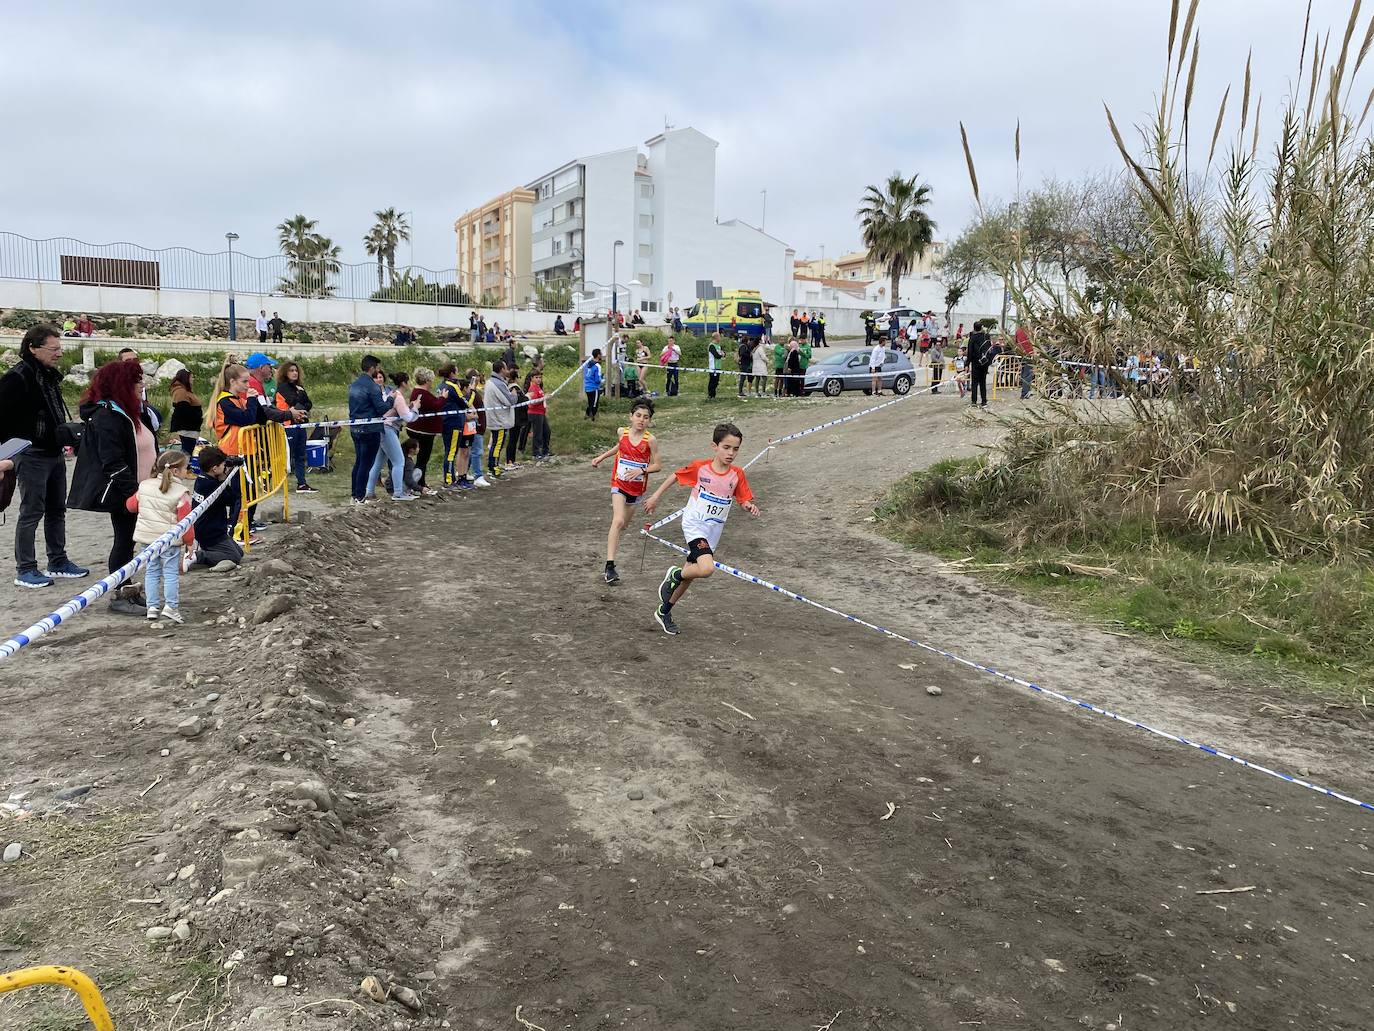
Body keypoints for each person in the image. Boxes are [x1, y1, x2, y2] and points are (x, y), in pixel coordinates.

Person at [642, 422, 760, 636]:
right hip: (694, 524)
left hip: (713, 531)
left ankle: (664, 610)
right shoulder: (701, 468)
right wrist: (655, 496)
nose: (731, 453)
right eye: (726, 447)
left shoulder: (737, 474)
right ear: (714, 446)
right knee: (706, 568)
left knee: (692, 574)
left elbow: (742, 498)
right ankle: (675, 573)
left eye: (735, 449)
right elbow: (675, 476)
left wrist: (748, 505)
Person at [0, 323, 88, 589]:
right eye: (54, 348)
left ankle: (58, 561)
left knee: (56, 510)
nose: (59, 353)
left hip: (53, 452)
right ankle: (25, 568)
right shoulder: (18, 377)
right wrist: (13, 447)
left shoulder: (47, 374)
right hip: (31, 453)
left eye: (60, 348)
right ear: (33, 348)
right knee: (31, 511)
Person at [67, 360, 155, 614]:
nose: (142, 384)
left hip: (142, 488)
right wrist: (133, 493)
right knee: (124, 540)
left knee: (131, 541)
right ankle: (121, 594)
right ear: (121, 385)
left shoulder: (130, 412)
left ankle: (130, 589)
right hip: (126, 492)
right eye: (136, 380)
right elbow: (112, 461)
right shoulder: (107, 416)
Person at [589, 398, 659, 585]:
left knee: (624, 525)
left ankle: (614, 542)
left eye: (646, 417)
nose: (641, 420)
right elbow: (620, 446)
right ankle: (610, 566)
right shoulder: (623, 432)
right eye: (638, 415)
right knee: (618, 520)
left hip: (636, 489)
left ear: (649, 421)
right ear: (631, 417)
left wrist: (641, 470)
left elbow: (658, 465)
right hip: (618, 483)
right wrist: (601, 457)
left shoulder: (650, 440)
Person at [127, 450, 195, 623]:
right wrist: (189, 543)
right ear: (176, 471)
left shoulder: (144, 485)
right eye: (186, 468)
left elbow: (131, 506)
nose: (188, 471)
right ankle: (171, 607)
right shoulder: (181, 492)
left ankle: (152, 607)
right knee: (170, 573)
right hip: (169, 541)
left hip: (147, 539)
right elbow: (186, 522)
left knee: (151, 572)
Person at [190, 446, 244, 571]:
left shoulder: (201, 478)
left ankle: (208, 552)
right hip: (211, 532)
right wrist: (224, 480)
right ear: (214, 469)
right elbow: (232, 500)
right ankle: (197, 556)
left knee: (239, 552)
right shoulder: (212, 486)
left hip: (206, 527)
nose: (225, 467)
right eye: (223, 465)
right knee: (234, 556)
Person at [347, 355, 391, 504]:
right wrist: (391, 399)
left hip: (355, 428)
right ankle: (360, 496)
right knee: (366, 464)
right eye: (377, 367)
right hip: (370, 429)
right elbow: (381, 409)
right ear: (372, 368)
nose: (379, 371)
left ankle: (354, 495)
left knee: (359, 462)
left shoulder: (354, 385)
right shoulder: (373, 387)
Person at [368, 372, 419, 500]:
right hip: (388, 429)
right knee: (399, 461)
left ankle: (369, 491)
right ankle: (398, 493)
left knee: (378, 463)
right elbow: (407, 417)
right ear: (404, 383)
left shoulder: (392, 393)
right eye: (408, 381)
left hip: (382, 428)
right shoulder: (399, 397)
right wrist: (416, 409)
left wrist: (409, 407)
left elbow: (399, 411)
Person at [274, 361, 317, 493]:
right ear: (285, 373)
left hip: (300, 424)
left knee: (300, 455)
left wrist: (300, 405)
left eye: (296, 370)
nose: (295, 373)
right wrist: (301, 399)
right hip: (288, 425)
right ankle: (272, 479)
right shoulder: (283, 387)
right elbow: (294, 402)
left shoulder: (299, 387)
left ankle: (302, 483)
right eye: (291, 370)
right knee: (286, 455)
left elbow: (308, 404)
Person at [434, 362, 473, 489]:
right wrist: (471, 392)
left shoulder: (441, 385)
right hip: (454, 422)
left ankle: (449, 478)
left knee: (449, 451)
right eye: (456, 371)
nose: (458, 374)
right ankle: (449, 480)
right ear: (452, 373)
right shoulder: (453, 386)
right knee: (451, 452)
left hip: (445, 421)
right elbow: (465, 403)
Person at [408, 367, 444, 495]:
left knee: (421, 459)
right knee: (423, 459)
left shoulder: (416, 391)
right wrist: (442, 398)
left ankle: (419, 482)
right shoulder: (424, 394)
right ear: (427, 380)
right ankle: (418, 484)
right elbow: (435, 405)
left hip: (415, 428)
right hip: (424, 431)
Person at [483, 360, 516, 479]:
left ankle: (492, 466)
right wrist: (514, 394)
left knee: (495, 444)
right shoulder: (499, 384)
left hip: (493, 417)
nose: (507, 370)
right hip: (499, 419)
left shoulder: (490, 382)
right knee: (498, 444)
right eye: (506, 368)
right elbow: (510, 401)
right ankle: (494, 469)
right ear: (502, 369)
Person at [464, 370, 492, 487]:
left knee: (471, 451)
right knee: (477, 451)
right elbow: (469, 406)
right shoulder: (472, 394)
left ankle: (465, 472)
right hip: (476, 426)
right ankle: (478, 475)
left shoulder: (473, 393)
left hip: (477, 425)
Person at [169, 369, 204, 455]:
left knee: (188, 451)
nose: (193, 379)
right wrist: (197, 418)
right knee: (186, 453)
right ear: (186, 378)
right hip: (187, 430)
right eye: (191, 377)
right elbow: (184, 410)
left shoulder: (184, 391)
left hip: (190, 429)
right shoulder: (181, 392)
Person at [967, 320, 996, 408]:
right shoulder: (986, 336)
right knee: (983, 382)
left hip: (975, 362)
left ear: (974, 328)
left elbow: (970, 351)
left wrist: (967, 363)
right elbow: (989, 350)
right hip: (984, 363)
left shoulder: (972, 338)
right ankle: (984, 401)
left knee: (975, 383)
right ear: (981, 327)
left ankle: (974, 401)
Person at [526, 370, 551, 459]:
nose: (539, 379)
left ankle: (545, 451)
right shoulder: (532, 388)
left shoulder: (539, 387)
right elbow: (533, 402)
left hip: (541, 413)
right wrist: (544, 398)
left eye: (540, 377)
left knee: (547, 431)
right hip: (535, 413)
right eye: (536, 377)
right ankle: (536, 453)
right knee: (538, 433)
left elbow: (541, 400)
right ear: (532, 378)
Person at [508, 372, 529, 466]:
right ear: (516, 378)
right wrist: (528, 397)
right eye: (519, 377)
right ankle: (509, 461)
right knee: (513, 440)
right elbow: (522, 400)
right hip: (515, 417)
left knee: (514, 439)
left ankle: (512, 460)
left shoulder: (509, 387)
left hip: (514, 417)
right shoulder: (515, 388)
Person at [1014, 324, 1034, 399]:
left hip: (1021, 353)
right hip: (1029, 354)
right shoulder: (1028, 332)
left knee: (1023, 373)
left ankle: (1025, 390)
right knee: (1027, 374)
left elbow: (1015, 342)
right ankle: (1025, 392)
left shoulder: (1018, 331)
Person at [583, 349, 604, 420]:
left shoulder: (588, 364)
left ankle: (587, 415)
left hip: (587, 386)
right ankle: (593, 417)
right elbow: (597, 379)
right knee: (595, 403)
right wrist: (602, 380)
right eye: (601, 354)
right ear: (598, 355)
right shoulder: (597, 366)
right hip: (594, 387)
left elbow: (586, 375)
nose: (602, 355)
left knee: (590, 402)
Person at [706, 332, 724, 399]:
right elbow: (716, 355)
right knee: (712, 381)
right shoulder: (711, 346)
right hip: (713, 366)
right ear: (716, 337)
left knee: (716, 382)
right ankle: (710, 395)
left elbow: (723, 353)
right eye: (719, 336)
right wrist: (721, 355)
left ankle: (713, 395)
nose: (720, 338)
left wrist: (722, 354)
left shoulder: (719, 346)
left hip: (718, 366)